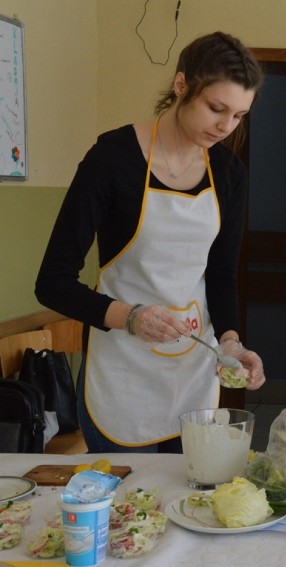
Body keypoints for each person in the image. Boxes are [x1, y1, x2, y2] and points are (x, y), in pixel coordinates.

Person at [35, 31, 266, 453]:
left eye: (238, 115)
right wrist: (131, 317)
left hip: (194, 377)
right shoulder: (112, 159)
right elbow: (52, 281)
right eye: (216, 108)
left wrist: (231, 341)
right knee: (129, 514)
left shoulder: (229, 173)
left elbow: (220, 277)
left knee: (191, 504)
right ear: (181, 86)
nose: (225, 126)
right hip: (122, 375)